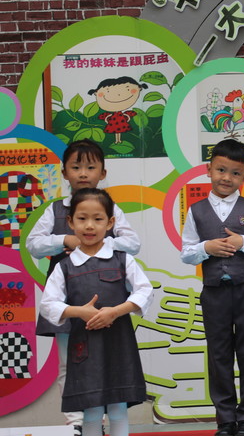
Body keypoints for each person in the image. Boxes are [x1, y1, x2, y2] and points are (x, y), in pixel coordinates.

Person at [27, 139, 141, 436]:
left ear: (102, 173)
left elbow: (132, 243)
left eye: (90, 167)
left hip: (107, 298)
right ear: (64, 172)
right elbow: (34, 244)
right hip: (69, 298)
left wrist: (99, 243)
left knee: (107, 361)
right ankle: (76, 422)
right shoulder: (55, 210)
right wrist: (65, 240)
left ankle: (100, 418)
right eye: (76, 167)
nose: (83, 173)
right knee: (70, 363)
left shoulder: (110, 208)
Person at [180, 139, 244, 436]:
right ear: (208, 170)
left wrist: (243, 242)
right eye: (221, 170)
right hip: (214, 292)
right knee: (218, 355)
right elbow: (186, 254)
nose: (227, 178)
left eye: (235, 173)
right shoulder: (196, 211)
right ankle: (225, 420)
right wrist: (206, 248)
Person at [39, 188, 153, 436]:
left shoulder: (122, 259)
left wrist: (116, 311)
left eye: (98, 219)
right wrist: (78, 311)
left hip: (119, 343)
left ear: (110, 223)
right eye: (82, 218)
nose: (89, 226)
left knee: (118, 409)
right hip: (84, 346)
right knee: (91, 410)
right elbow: (48, 304)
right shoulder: (64, 266)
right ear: (70, 222)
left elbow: (145, 290)